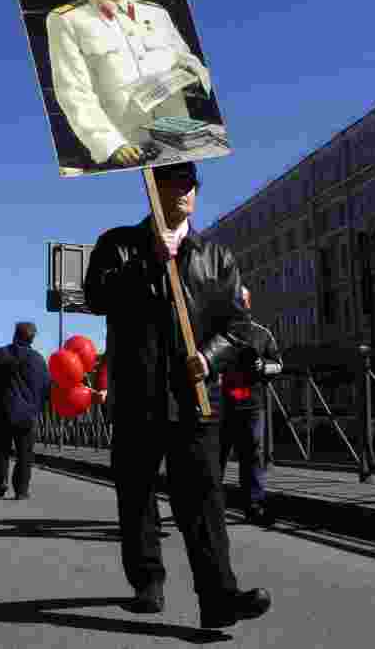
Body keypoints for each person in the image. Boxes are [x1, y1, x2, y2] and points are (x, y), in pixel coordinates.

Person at [84, 161, 271, 629]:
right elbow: (96, 298)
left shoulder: (216, 257)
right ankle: (147, 581)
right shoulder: (118, 245)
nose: (186, 192)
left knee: (203, 501)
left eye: (191, 185)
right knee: (137, 494)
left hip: (195, 399)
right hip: (135, 394)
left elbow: (238, 326)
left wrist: (209, 357)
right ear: (154, 188)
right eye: (176, 183)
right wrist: (150, 257)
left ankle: (219, 597)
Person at [46, 0, 211, 172]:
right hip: (126, 152)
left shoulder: (156, 14)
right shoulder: (67, 20)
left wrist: (194, 76)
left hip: (180, 144)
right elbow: (72, 91)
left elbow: (188, 60)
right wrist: (111, 145)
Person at [219, 285, 282, 523]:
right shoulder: (220, 332)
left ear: (248, 303)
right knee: (216, 457)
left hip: (252, 405)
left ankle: (253, 505)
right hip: (221, 405)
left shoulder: (262, 334)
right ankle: (210, 505)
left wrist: (263, 367)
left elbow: (279, 363)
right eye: (235, 301)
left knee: (252, 456)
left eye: (242, 300)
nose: (239, 305)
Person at [0, 322, 51, 499]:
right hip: (27, 414)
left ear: (15, 335)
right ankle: (21, 490)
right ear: (32, 338)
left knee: (0, 450)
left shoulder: (2, 353)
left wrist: (2, 379)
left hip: (2, 410)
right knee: (25, 454)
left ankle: (1, 482)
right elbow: (46, 387)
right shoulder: (38, 359)